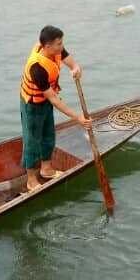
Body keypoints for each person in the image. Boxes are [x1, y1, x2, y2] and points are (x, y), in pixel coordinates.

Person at [20, 26, 90, 193]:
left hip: (45, 102)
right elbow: (54, 99)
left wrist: (74, 67)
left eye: (61, 43)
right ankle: (31, 179)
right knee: (32, 141)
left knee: (49, 134)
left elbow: (65, 55)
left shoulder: (54, 49)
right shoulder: (37, 68)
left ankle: (46, 168)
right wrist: (78, 118)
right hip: (32, 105)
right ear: (47, 46)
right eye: (58, 44)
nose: (61, 46)